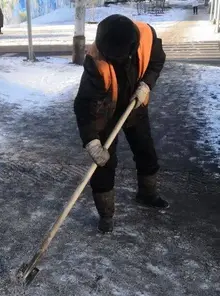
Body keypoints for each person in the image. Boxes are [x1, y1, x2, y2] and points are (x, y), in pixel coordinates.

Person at [73, 14, 169, 234]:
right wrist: (91, 140)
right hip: (106, 114)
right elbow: (84, 104)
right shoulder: (95, 61)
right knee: (104, 164)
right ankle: (106, 215)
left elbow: (156, 61)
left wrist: (147, 84)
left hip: (135, 105)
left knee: (146, 152)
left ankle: (147, 194)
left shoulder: (146, 35)